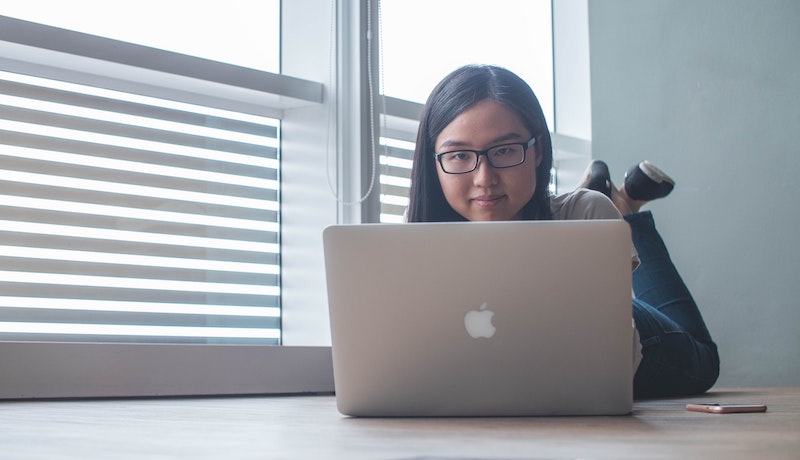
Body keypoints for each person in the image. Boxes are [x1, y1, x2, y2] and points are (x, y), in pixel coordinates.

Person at [406, 64, 719, 398]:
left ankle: (626, 213)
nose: (484, 178)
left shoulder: (588, 213)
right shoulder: (407, 249)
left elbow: (609, 364)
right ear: (434, 161)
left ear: (537, 150)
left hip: (645, 349)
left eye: (505, 150)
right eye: (459, 155)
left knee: (705, 357)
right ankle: (624, 202)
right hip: (581, 268)